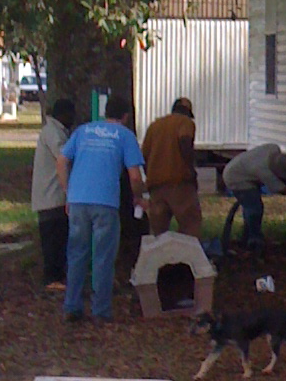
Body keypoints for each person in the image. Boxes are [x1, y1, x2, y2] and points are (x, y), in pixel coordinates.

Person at [56, 94, 147, 323]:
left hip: (78, 200)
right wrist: (138, 197)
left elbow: (61, 160)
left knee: (77, 253)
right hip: (105, 202)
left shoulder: (83, 131)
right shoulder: (125, 136)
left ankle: (72, 306)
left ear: (105, 112)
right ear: (125, 116)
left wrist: (68, 191)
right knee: (103, 256)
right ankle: (100, 310)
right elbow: (135, 176)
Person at [220, 142, 286, 252]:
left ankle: (246, 237)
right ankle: (254, 240)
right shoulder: (263, 171)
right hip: (235, 178)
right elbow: (282, 190)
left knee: (250, 207)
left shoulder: (273, 148)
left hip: (239, 168)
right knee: (254, 208)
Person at [141, 97, 203, 238]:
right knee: (190, 226)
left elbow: (144, 156)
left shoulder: (154, 126)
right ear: (187, 112)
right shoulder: (185, 122)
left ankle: (160, 252)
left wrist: (150, 176)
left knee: (158, 233)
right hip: (180, 184)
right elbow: (185, 142)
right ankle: (186, 253)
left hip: (156, 187)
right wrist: (192, 171)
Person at [31, 98, 75, 290]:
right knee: (52, 238)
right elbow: (64, 156)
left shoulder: (57, 131)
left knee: (59, 237)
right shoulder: (53, 132)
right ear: (63, 115)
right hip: (50, 195)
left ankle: (58, 275)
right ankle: (51, 278)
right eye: (71, 115)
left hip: (55, 195)